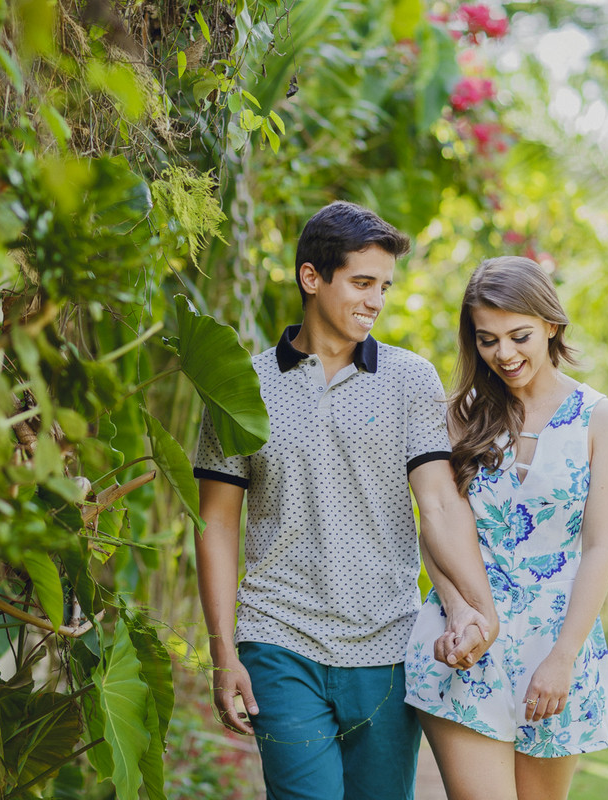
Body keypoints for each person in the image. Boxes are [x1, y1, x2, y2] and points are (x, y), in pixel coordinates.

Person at [192, 200, 499, 800]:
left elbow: (436, 505)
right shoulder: (240, 385)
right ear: (312, 278)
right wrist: (223, 651)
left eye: (383, 286)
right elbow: (216, 524)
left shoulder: (411, 380)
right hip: (278, 640)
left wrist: (471, 608)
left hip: (387, 645)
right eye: (362, 282)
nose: (376, 301)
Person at [404, 256, 608, 800]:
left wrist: (562, 658)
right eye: (487, 340)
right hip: (465, 638)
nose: (504, 354)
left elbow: (601, 548)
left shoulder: (602, 419)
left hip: (559, 645)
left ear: (551, 325)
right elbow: (434, 527)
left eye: (519, 335)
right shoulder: (456, 416)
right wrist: (460, 613)